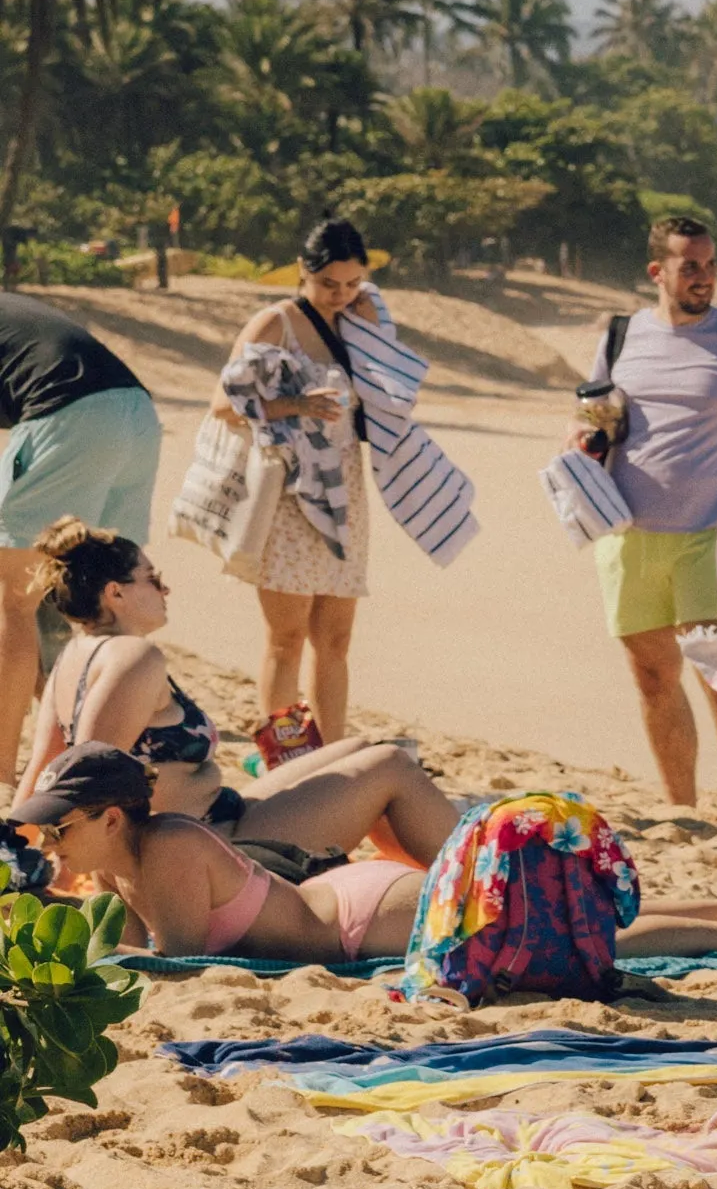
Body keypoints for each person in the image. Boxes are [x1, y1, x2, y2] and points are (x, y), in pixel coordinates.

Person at [5, 743, 717, 970]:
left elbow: (173, 959)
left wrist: (82, 945)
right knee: (540, 925)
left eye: (59, 826)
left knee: (559, 942)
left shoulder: (171, 849)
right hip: (352, 899)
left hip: (359, 918)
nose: (50, 840)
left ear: (112, 817)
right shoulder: (117, 865)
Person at [19, 523, 459, 861]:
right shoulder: (134, 657)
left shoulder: (73, 657)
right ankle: (481, 889)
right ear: (116, 592)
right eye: (153, 578)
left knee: (358, 748)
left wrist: (13, 846)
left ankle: (434, 880)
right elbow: (88, 778)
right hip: (209, 847)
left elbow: (42, 772)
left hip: (218, 818)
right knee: (391, 765)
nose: (165, 588)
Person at [573, 216, 717, 823]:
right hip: (628, 534)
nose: (704, 278)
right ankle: (682, 810)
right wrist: (587, 436)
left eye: (710, 265)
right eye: (690, 266)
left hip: (714, 536)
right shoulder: (621, 336)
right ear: (658, 272)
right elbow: (599, 416)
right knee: (652, 678)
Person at [200, 221, 395, 751]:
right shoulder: (275, 323)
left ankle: (330, 753)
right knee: (286, 640)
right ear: (305, 272)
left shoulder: (357, 321)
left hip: (345, 493)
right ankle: (285, 755)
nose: (341, 295)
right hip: (288, 494)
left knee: (335, 640)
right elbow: (224, 404)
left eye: (354, 283)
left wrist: (371, 325)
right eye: (330, 283)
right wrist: (297, 406)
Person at [0, 287, 156, 688]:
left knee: (15, 602)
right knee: (100, 601)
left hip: (69, 417)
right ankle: (103, 734)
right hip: (136, 413)